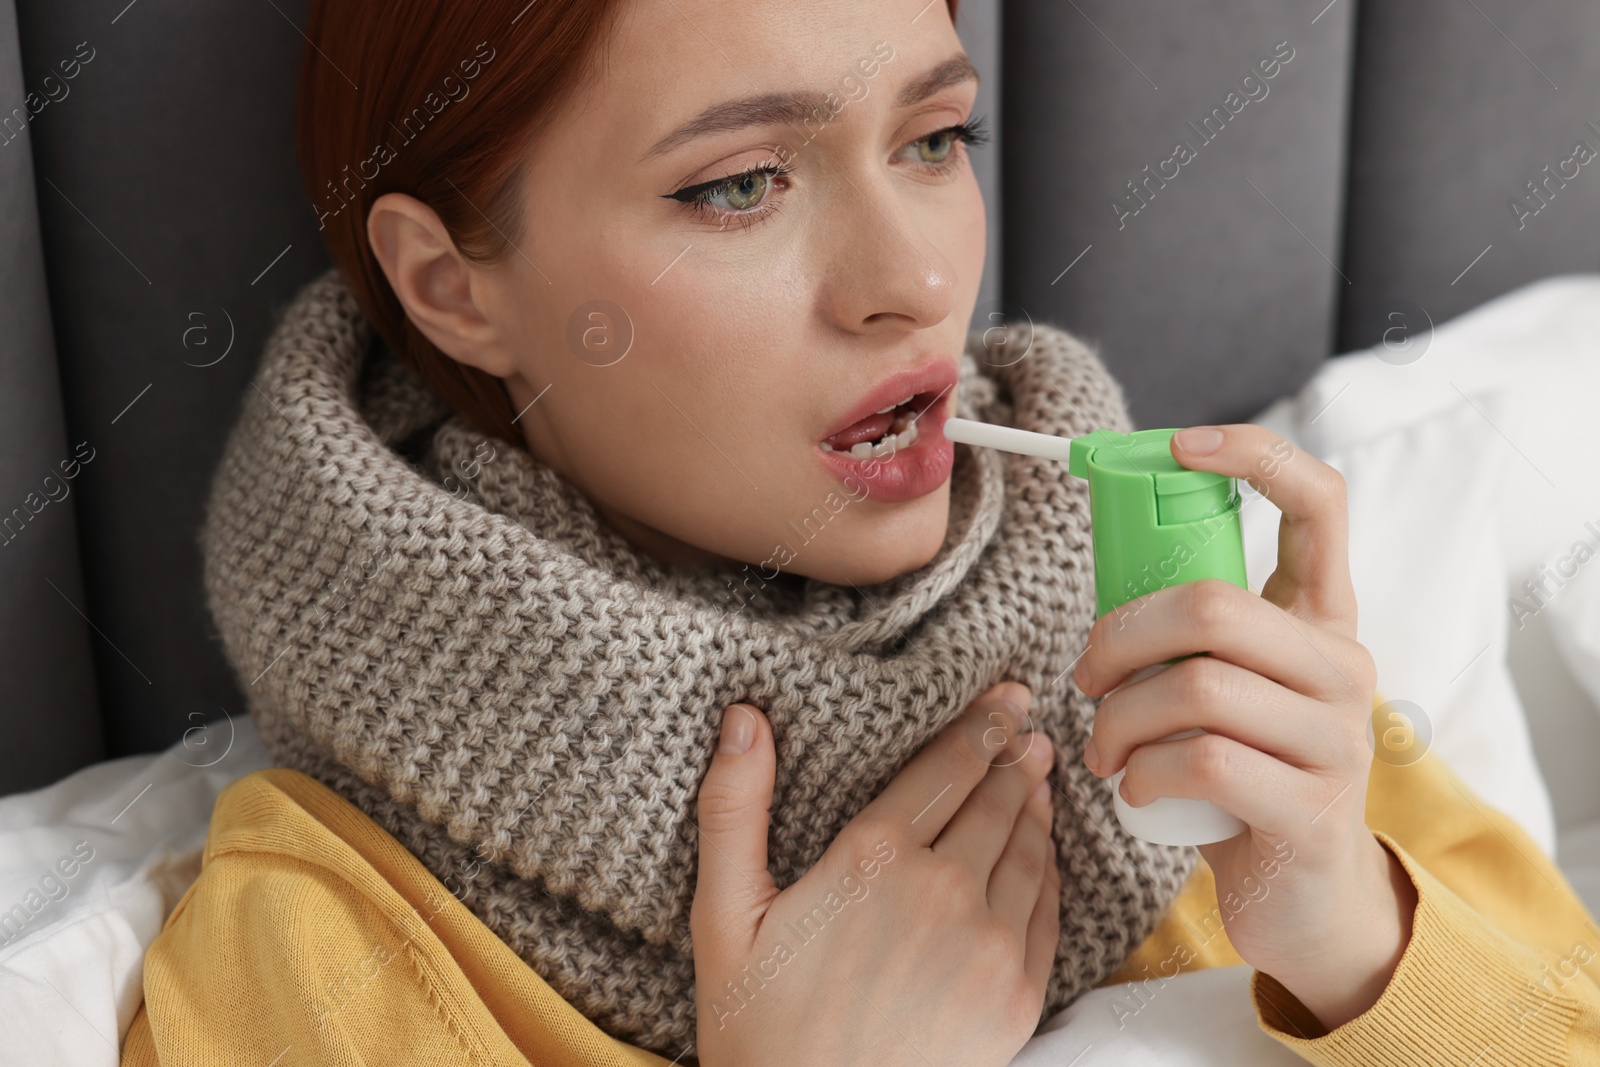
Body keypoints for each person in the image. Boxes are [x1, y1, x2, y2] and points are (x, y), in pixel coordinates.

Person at [122, 0, 1600, 1064]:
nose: (911, 282)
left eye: (935, 137)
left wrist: (1357, 934)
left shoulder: (1217, 676)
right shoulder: (313, 950)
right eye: (738, 185)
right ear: (453, 292)